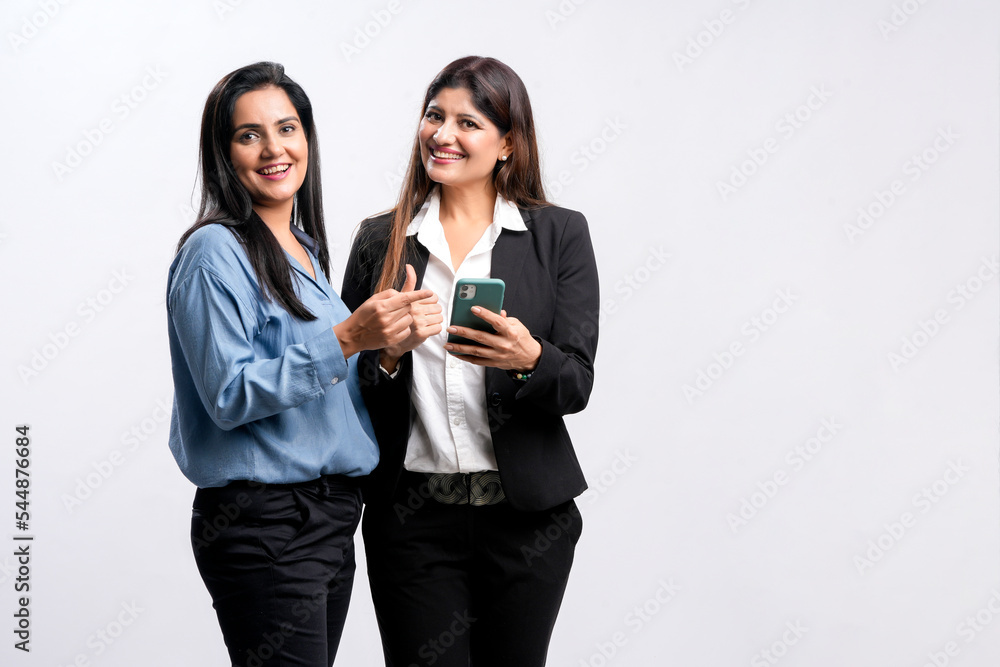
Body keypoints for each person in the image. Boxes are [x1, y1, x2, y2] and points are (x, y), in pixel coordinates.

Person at [166, 61, 433, 667]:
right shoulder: (214, 251)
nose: (273, 149)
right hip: (264, 520)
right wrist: (343, 338)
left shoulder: (305, 250)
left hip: (330, 514)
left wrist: (384, 347)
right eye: (248, 134)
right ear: (222, 152)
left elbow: (322, 395)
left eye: (287, 128)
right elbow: (229, 395)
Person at [341, 55, 600, 667]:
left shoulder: (559, 234)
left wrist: (529, 358)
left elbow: (577, 383)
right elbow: (345, 385)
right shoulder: (381, 239)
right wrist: (388, 360)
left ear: (508, 142)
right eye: (435, 116)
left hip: (526, 524)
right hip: (412, 523)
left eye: (469, 123)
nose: (443, 135)